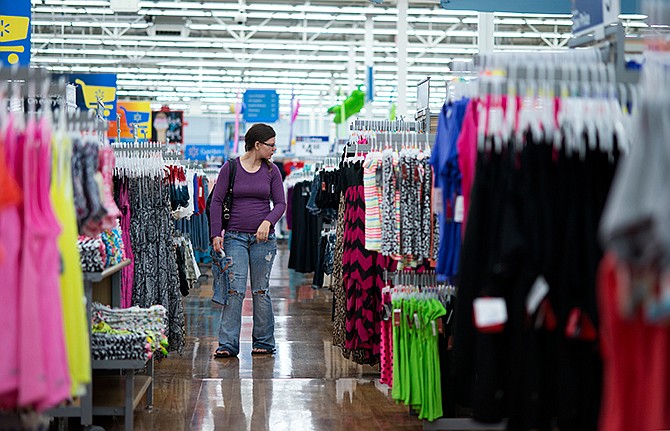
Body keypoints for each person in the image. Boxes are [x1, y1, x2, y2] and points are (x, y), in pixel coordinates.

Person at [210, 123, 286, 358]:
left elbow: (281, 203)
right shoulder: (230, 168)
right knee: (235, 290)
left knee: (261, 291)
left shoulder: (272, 171)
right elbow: (216, 201)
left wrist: (268, 221)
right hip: (234, 238)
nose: (274, 149)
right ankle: (228, 344)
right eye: (271, 145)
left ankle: (264, 341)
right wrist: (216, 233)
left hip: (263, 240)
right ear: (257, 145)